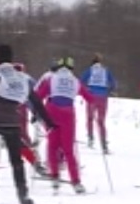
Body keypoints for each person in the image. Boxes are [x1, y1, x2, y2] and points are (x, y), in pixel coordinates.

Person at [0, 44, 54, 204]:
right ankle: (23, 195)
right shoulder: (20, 76)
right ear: (11, 58)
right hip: (12, 121)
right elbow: (35, 100)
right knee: (16, 160)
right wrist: (48, 121)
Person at [36, 56, 95, 193]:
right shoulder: (75, 81)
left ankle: (55, 176)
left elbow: (39, 96)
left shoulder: (52, 79)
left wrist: (36, 110)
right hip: (68, 113)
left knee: (52, 145)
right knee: (68, 149)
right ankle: (76, 182)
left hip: (51, 111)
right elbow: (89, 98)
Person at [80, 53, 116, 153]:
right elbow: (113, 83)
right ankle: (104, 144)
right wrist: (109, 90)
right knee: (101, 121)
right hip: (103, 97)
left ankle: (90, 138)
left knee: (90, 118)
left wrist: (85, 90)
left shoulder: (90, 70)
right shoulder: (106, 70)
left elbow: (81, 82)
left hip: (91, 96)